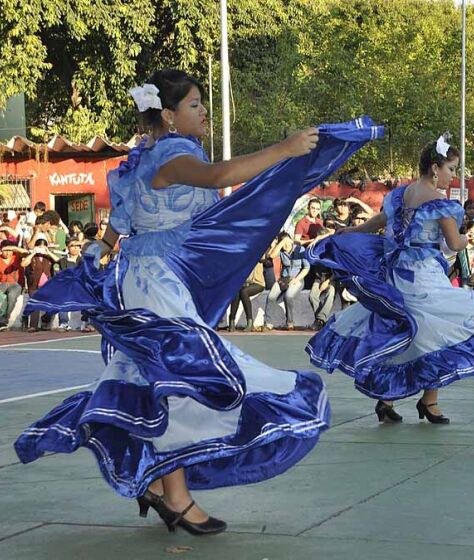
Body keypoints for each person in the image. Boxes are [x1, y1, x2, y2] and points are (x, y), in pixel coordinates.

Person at [15, 69, 380, 535]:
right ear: (168, 115)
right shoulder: (172, 154)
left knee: (163, 385)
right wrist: (285, 150)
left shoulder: (140, 156)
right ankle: (177, 496)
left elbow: (119, 223)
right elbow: (220, 176)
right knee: (194, 377)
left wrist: (99, 253)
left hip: (149, 279)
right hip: (154, 284)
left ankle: (165, 489)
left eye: (202, 102)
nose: (203, 110)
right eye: (194, 104)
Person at [305, 134, 474, 424]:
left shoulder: (399, 195)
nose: (454, 176)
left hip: (397, 277)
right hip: (424, 279)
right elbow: (453, 244)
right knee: (438, 332)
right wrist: (471, 237)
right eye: (452, 169)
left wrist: (349, 233)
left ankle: (394, 399)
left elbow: (379, 222)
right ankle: (426, 401)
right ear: (434, 167)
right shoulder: (439, 202)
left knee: (411, 332)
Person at [264, 231, 310, 331]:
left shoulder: (299, 250)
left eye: (287, 242)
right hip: (284, 279)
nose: (286, 246)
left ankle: (290, 322)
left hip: (297, 278)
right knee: (271, 296)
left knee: (288, 296)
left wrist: (296, 279)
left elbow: (306, 267)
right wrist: (280, 243)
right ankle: (268, 323)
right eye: (283, 243)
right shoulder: (281, 251)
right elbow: (271, 256)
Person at [228, 259, 266, 332]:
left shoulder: (258, 253)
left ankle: (250, 322)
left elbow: (264, 259)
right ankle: (231, 321)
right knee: (236, 293)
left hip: (258, 283)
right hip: (244, 283)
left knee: (244, 292)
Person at [0, 240, 25, 330]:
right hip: (2, 283)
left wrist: (13, 248)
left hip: (15, 284)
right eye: (5, 250)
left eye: (9, 250)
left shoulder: (16, 257)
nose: (7, 253)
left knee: (11, 296)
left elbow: (25, 252)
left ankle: (4, 320)